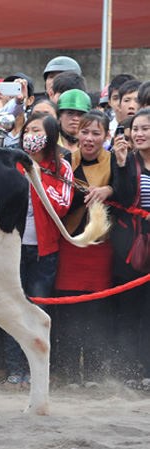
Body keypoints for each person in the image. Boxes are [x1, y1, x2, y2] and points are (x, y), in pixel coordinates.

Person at [4, 113, 73, 389]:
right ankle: (13, 369)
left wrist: (38, 175)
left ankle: (35, 370)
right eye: (28, 129)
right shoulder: (11, 164)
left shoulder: (62, 168)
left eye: (37, 130)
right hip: (12, 249)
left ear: (50, 135)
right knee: (12, 310)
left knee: (39, 311)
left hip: (44, 251)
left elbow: (61, 205)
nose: (31, 134)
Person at [52, 111, 118, 385]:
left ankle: (92, 372)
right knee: (67, 310)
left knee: (96, 312)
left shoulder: (115, 163)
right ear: (76, 134)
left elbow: (126, 189)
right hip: (69, 244)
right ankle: (66, 372)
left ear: (106, 137)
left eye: (96, 133)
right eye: (85, 132)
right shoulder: (65, 161)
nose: (89, 138)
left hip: (101, 248)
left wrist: (109, 191)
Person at [110, 108, 150, 385]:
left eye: (146, 128)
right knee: (129, 311)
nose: (139, 134)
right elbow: (123, 198)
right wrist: (122, 164)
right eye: (135, 129)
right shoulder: (126, 160)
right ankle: (126, 372)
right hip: (133, 246)